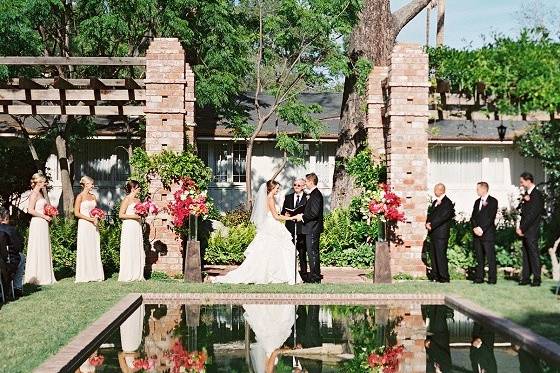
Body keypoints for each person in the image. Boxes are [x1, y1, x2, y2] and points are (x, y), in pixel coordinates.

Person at [212, 180, 302, 284]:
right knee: (270, 251)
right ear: (271, 189)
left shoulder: (269, 198)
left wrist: (285, 216)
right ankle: (271, 274)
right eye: (277, 188)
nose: (278, 190)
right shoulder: (270, 199)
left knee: (272, 252)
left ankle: (275, 273)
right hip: (272, 226)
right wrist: (293, 217)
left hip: (272, 225)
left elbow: (274, 214)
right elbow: (276, 216)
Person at [24, 173, 57, 285]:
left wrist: (49, 212)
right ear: (38, 182)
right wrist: (44, 216)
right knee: (37, 246)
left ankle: (44, 274)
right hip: (37, 223)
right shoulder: (34, 194)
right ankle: (36, 275)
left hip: (43, 223)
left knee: (43, 246)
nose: (45, 183)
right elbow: (30, 210)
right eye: (43, 182)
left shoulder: (40, 193)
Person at [517, 172, 545, 287]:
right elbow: (522, 211)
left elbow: (532, 215)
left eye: (522, 182)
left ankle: (537, 279)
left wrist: (522, 228)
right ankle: (526, 278)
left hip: (531, 230)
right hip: (525, 230)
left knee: (533, 254)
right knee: (526, 254)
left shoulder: (536, 195)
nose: (521, 184)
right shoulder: (527, 194)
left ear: (528, 181)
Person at [74, 176, 104, 283]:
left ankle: (95, 274)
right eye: (91, 184)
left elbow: (96, 210)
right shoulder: (80, 197)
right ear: (86, 184)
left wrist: (98, 216)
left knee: (94, 246)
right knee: (85, 247)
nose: (93, 185)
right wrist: (90, 219)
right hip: (84, 224)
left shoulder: (93, 196)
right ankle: (84, 274)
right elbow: (76, 213)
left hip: (93, 225)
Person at [295, 173, 324, 284]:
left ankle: (315, 277)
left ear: (311, 182)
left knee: (312, 253)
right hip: (309, 228)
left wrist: (302, 217)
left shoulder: (316, 194)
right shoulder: (312, 194)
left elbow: (314, 213)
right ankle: (314, 275)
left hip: (312, 228)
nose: (305, 183)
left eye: (306, 181)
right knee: (312, 253)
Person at [425, 183, 455, 283]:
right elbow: (431, 214)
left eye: (436, 189)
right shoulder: (435, 202)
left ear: (441, 190)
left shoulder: (447, 203)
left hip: (441, 234)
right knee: (434, 255)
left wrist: (432, 224)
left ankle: (444, 277)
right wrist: (427, 223)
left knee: (441, 255)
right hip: (433, 233)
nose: (434, 191)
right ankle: (436, 275)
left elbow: (443, 217)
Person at [470, 182, 498, 284]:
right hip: (477, 233)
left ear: (484, 189)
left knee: (490, 257)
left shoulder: (493, 201)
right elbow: (473, 217)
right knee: (479, 257)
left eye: (478, 189)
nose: (476, 191)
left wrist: (481, 229)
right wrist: (475, 228)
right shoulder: (477, 202)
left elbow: (491, 217)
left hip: (487, 233)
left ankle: (492, 278)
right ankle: (479, 277)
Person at [281, 178, 308, 281]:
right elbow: (283, 211)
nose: (296, 187)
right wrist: (286, 214)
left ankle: (304, 274)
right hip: (290, 228)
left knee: (302, 252)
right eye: (295, 185)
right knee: (289, 252)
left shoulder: (307, 197)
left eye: (298, 185)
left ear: (303, 187)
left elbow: (309, 213)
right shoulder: (288, 197)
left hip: (302, 228)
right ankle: (290, 274)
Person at [118, 180, 145, 282]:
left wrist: (142, 214)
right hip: (129, 226)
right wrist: (134, 216)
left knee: (136, 247)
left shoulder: (138, 200)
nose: (139, 189)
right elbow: (121, 215)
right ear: (133, 188)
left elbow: (140, 213)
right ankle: (128, 273)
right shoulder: (127, 199)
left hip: (136, 226)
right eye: (138, 187)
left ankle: (138, 273)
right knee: (129, 247)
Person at [0, 207, 25, 297]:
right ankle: (17, 287)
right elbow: (18, 247)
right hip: (7, 262)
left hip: (4, 262)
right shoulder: (12, 230)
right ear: (6, 218)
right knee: (22, 257)